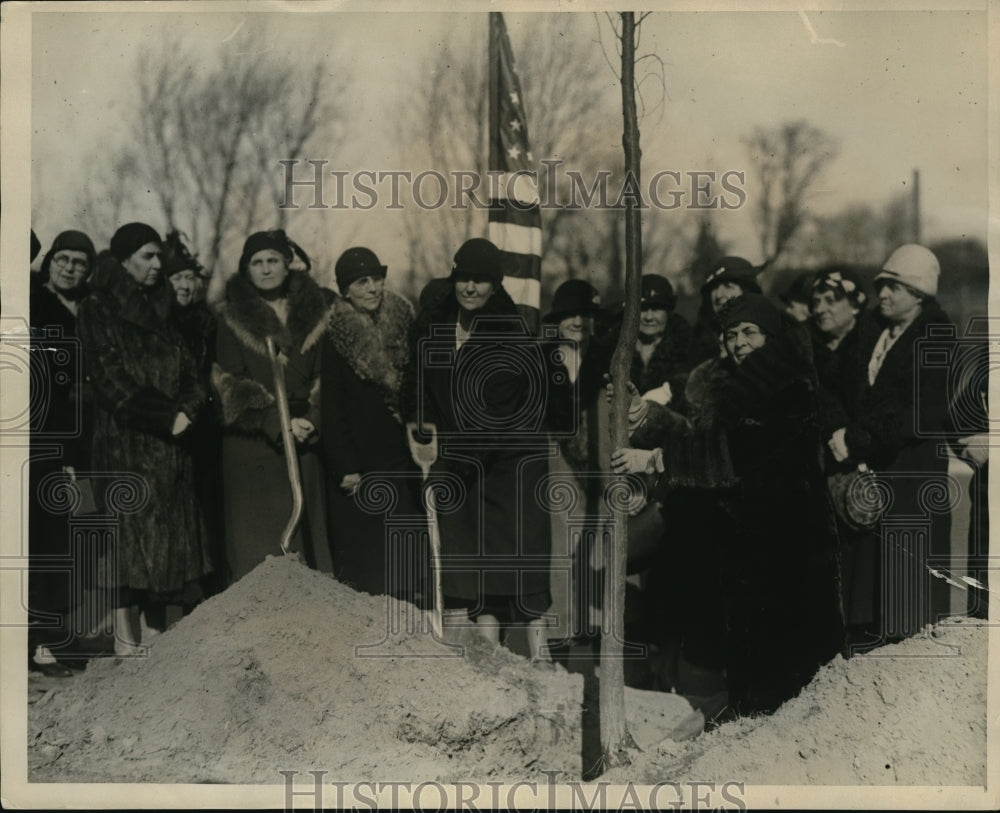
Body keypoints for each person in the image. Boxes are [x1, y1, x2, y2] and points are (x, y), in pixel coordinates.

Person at [614, 293, 845, 716]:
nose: (739, 342)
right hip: (754, 543)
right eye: (732, 334)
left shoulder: (784, 385)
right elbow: (701, 433)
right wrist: (646, 418)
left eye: (749, 333)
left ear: (771, 337)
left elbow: (729, 454)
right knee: (757, 661)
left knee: (786, 669)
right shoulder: (745, 382)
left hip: (788, 543)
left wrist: (656, 459)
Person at [404, 238, 559, 661]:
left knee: (521, 559)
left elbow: (496, 418)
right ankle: (490, 658)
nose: (469, 288)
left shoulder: (509, 331)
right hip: (465, 460)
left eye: (480, 280)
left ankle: (541, 657)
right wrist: (420, 420)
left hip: (512, 460)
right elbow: (417, 385)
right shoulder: (434, 325)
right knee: (486, 567)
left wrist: (448, 457)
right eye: (463, 278)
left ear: (495, 284)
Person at [77, 222, 212, 655]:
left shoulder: (165, 306)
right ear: (122, 260)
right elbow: (109, 378)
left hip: (171, 445)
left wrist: (189, 411)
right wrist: (163, 416)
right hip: (126, 444)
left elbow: (191, 373)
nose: (157, 265)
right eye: (147, 257)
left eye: (159, 257)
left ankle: (155, 635)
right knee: (125, 545)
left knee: (166, 546)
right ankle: (123, 639)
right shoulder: (98, 306)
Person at [828, 244, 954, 643]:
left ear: (918, 294)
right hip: (875, 472)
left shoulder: (936, 335)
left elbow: (921, 413)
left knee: (906, 592)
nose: (882, 294)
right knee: (869, 586)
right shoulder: (873, 334)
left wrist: (857, 438)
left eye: (893, 287)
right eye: (881, 285)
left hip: (911, 474)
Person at [213, 229, 333, 581]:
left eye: (273, 261)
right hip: (254, 446)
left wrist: (312, 418)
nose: (265, 270)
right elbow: (229, 383)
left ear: (287, 264)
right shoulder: (231, 318)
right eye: (256, 262)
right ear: (246, 269)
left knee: (306, 548)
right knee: (258, 551)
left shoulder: (316, 311)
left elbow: (327, 376)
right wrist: (277, 424)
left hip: (304, 439)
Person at [321, 247, 426, 601]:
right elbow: (331, 406)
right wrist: (345, 466)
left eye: (377, 279)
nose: (372, 288)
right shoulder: (336, 335)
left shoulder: (404, 322)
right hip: (361, 464)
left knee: (408, 560)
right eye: (362, 282)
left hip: (402, 455)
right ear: (345, 290)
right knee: (370, 568)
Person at [29, 230, 97, 674]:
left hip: (89, 446)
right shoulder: (33, 303)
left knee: (83, 535)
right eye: (62, 259)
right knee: (45, 538)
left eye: (79, 261)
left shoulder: (94, 309)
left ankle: (67, 633)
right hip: (46, 444)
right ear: (49, 262)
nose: (70, 267)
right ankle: (39, 641)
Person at [807, 265, 878, 643]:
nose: (821, 309)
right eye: (815, 302)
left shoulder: (870, 344)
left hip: (862, 466)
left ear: (854, 304)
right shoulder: (810, 350)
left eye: (831, 300)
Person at [542, 279, 614, 644]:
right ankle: (560, 631)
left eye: (585, 316)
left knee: (597, 545)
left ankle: (595, 628)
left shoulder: (607, 359)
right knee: (561, 546)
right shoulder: (543, 359)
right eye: (569, 315)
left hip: (600, 463)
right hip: (557, 461)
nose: (577, 322)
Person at [163, 231, 227, 596]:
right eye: (177, 278)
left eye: (190, 278)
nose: (185, 286)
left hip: (204, 429)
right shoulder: (159, 320)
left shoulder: (206, 322)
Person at [629, 274, 694, 414]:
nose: (649, 317)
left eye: (656, 309)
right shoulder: (614, 348)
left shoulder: (686, 350)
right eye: (643, 309)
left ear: (668, 312)